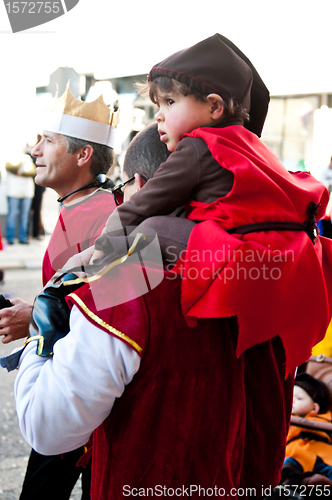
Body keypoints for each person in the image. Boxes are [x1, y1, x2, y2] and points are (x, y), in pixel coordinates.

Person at [12, 34, 318, 499]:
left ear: (138, 181)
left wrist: (44, 329)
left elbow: (48, 427)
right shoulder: (271, 271)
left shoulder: (135, 272)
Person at [89, 33, 332, 377]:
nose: (159, 116)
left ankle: (105, 309)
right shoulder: (249, 143)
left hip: (249, 259)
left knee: (148, 230)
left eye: (170, 103)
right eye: (157, 106)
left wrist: (98, 252)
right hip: (289, 259)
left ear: (215, 107)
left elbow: (141, 205)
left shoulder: (198, 146)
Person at [1, 86, 118, 500]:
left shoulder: (107, 215)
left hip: (81, 395)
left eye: (48, 141)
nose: (35, 150)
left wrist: (34, 312)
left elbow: (118, 310)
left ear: (83, 156)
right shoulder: (76, 204)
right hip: (67, 384)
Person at [281, 373, 332, 485]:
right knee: (288, 465)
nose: (292, 401)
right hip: (295, 456)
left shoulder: (324, 419)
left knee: (329, 469)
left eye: (299, 398)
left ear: (314, 408)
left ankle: (321, 483)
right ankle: (289, 482)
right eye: (290, 396)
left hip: (322, 455)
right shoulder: (285, 419)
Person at [5, 153, 35, 244]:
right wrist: (22, 164)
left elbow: (32, 172)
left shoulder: (28, 158)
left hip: (26, 193)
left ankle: (23, 237)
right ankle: (10, 238)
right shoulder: (11, 159)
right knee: (12, 215)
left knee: (24, 216)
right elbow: (10, 167)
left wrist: (21, 172)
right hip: (13, 192)